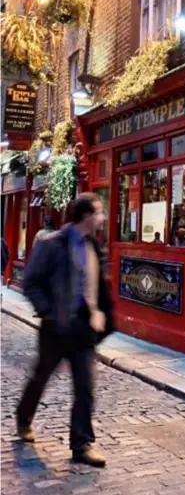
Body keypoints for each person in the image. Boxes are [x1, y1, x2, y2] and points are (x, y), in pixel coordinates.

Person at [16, 193, 114, 467]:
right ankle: (24, 418)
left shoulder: (94, 245)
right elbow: (31, 282)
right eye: (99, 212)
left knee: (85, 388)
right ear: (86, 216)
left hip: (83, 329)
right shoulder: (52, 244)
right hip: (55, 328)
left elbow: (97, 284)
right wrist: (46, 312)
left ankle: (81, 445)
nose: (103, 217)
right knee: (40, 378)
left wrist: (101, 313)